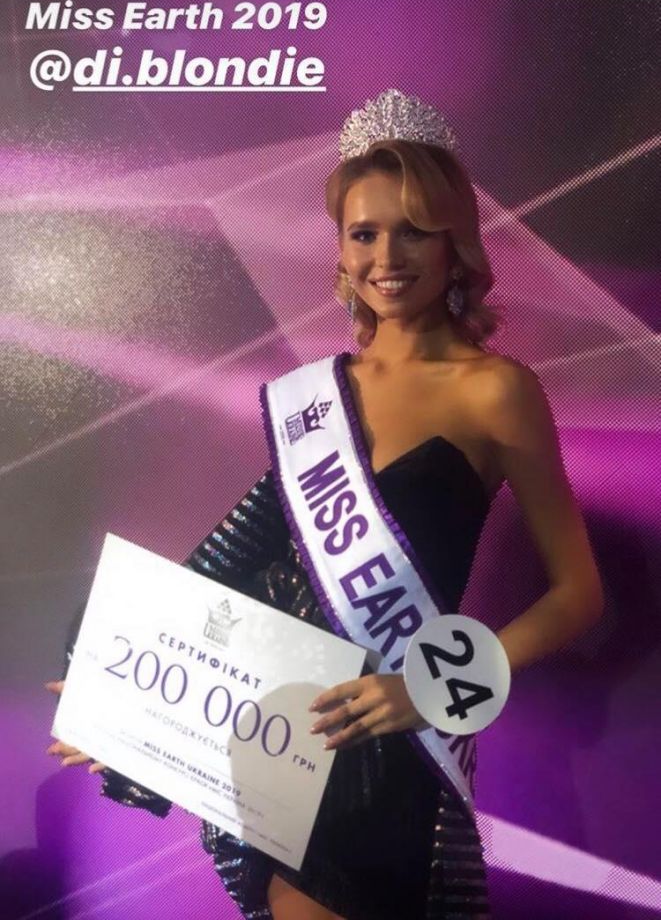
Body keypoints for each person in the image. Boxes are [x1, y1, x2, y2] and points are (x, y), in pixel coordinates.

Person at [45, 90, 604, 920]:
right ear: (340, 249)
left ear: (454, 243)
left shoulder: (496, 391)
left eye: (413, 230)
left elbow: (576, 595)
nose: (387, 256)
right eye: (364, 233)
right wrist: (125, 705)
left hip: (389, 747)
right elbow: (230, 563)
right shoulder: (314, 400)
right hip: (282, 739)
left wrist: (430, 690)